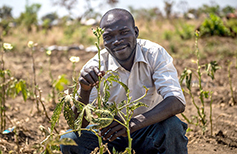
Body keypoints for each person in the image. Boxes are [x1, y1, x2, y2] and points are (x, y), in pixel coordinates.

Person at [60, 8, 188, 154]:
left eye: (124, 32)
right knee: (69, 139)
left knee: (172, 126)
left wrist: (132, 124)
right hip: (112, 134)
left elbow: (176, 102)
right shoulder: (96, 67)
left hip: (149, 130)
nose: (117, 41)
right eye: (109, 36)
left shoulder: (154, 54)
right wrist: (84, 90)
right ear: (103, 40)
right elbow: (78, 126)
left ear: (136, 32)